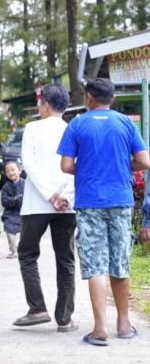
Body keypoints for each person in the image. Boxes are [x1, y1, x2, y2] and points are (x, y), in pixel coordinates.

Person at [58, 78, 149, 345]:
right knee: (119, 261)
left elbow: (65, 165)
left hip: (89, 201)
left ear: (88, 98)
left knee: (95, 264)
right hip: (120, 200)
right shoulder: (124, 123)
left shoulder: (77, 124)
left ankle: (100, 329)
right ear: (113, 99)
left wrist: (86, 167)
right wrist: (121, 166)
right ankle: (123, 323)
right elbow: (145, 161)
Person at [14, 84, 78, 331]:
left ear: (46, 105)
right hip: (67, 206)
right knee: (66, 259)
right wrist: (65, 197)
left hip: (36, 205)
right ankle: (64, 318)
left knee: (27, 253)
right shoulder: (72, 128)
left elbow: (28, 164)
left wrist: (50, 196)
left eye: (40, 103)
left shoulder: (32, 128)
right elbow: (77, 167)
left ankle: (37, 307)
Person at [0, 161, 24, 259]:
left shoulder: (26, 184)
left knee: (26, 233)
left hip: (23, 213)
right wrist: (14, 199)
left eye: (13, 170)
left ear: (20, 171)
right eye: (8, 171)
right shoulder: (6, 187)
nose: (11, 172)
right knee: (10, 232)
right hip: (10, 213)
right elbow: (4, 202)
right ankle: (13, 251)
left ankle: (21, 248)